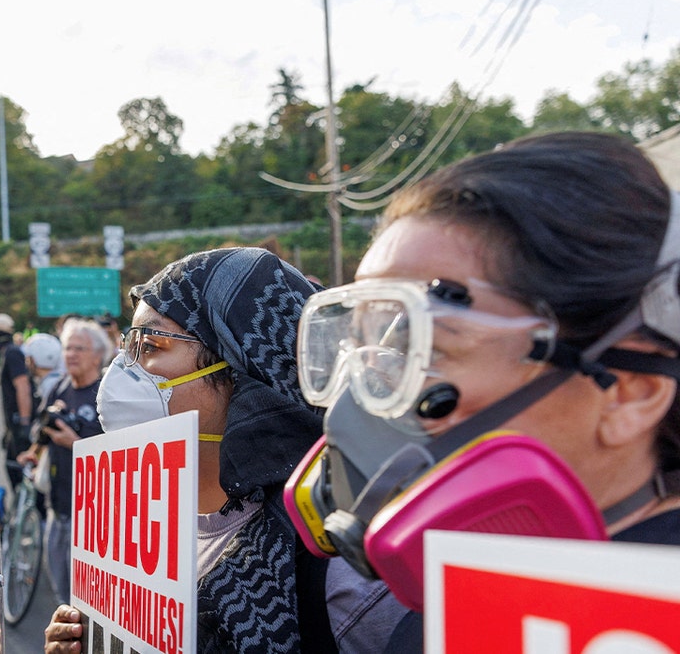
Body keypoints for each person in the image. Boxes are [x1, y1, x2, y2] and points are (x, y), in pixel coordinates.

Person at [283, 131, 680, 652]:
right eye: (379, 342)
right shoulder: (465, 605)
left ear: (630, 393)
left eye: (432, 350)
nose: (366, 400)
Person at [44, 247, 334, 653]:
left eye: (151, 346)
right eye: (128, 345)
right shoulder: (135, 518)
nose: (123, 371)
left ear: (239, 365)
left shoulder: (330, 556)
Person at [18, 319, 111, 606]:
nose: (71, 354)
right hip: (57, 505)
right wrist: (35, 449)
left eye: (79, 348)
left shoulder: (107, 394)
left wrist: (76, 444)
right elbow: (46, 426)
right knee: (60, 585)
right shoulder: (58, 386)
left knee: (87, 595)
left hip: (94, 513)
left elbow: (122, 452)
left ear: (98, 355)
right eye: (68, 348)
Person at [0, 312, 35, 491]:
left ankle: (31, 511)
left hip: (18, 420)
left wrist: (24, 420)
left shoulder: (13, 353)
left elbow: (22, 386)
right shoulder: (8, 353)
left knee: (17, 467)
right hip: (13, 422)